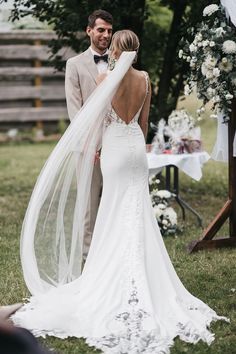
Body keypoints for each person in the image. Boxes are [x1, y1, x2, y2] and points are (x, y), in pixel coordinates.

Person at [12, 30, 228, 353]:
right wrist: (132, 144)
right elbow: (142, 125)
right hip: (135, 150)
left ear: (114, 48)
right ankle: (141, 275)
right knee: (137, 211)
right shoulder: (145, 80)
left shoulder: (104, 79)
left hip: (112, 150)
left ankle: (110, 275)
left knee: (111, 210)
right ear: (136, 51)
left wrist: (99, 148)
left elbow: (98, 121)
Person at [65, 9, 113, 257]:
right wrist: (88, 144)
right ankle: (86, 255)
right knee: (89, 204)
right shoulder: (74, 65)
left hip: (116, 143)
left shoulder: (119, 63)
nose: (105, 35)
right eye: (101, 30)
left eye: (109, 31)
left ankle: (109, 253)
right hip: (87, 144)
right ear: (89, 31)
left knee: (114, 200)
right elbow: (75, 110)